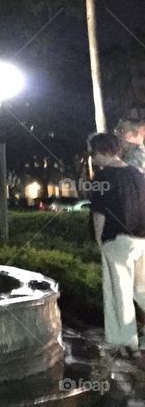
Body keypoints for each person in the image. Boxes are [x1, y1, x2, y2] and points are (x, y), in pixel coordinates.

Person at [89, 132, 145, 360]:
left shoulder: (103, 178)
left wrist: (100, 240)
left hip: (117, 240)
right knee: (142, 289)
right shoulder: (137, 175)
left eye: (94, 153)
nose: (93, 158)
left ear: (102, 152)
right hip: (142, 239)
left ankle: (127, 344)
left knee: (119, 293)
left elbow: (99, 213)